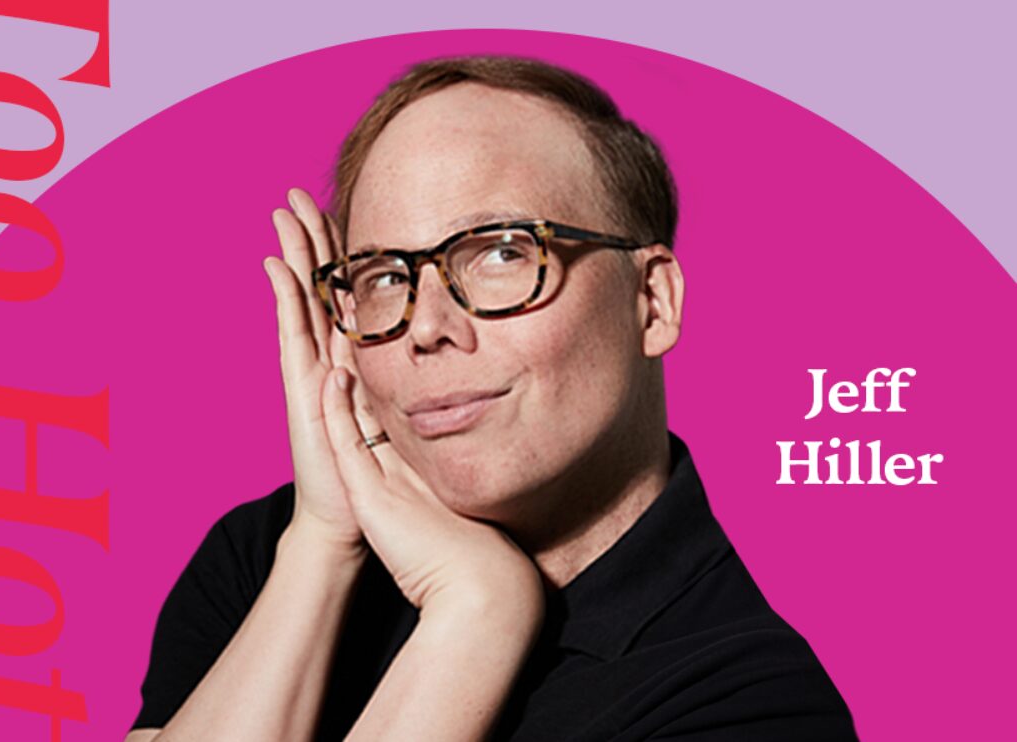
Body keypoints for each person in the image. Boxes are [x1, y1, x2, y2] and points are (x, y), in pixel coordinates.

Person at [126, 55, 858, 741]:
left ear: (653, 301)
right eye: (383, 276)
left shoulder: (752, 701)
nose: (427, 327)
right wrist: (327, 550)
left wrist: (474, 613)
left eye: (505, 252)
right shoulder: (270, 555)